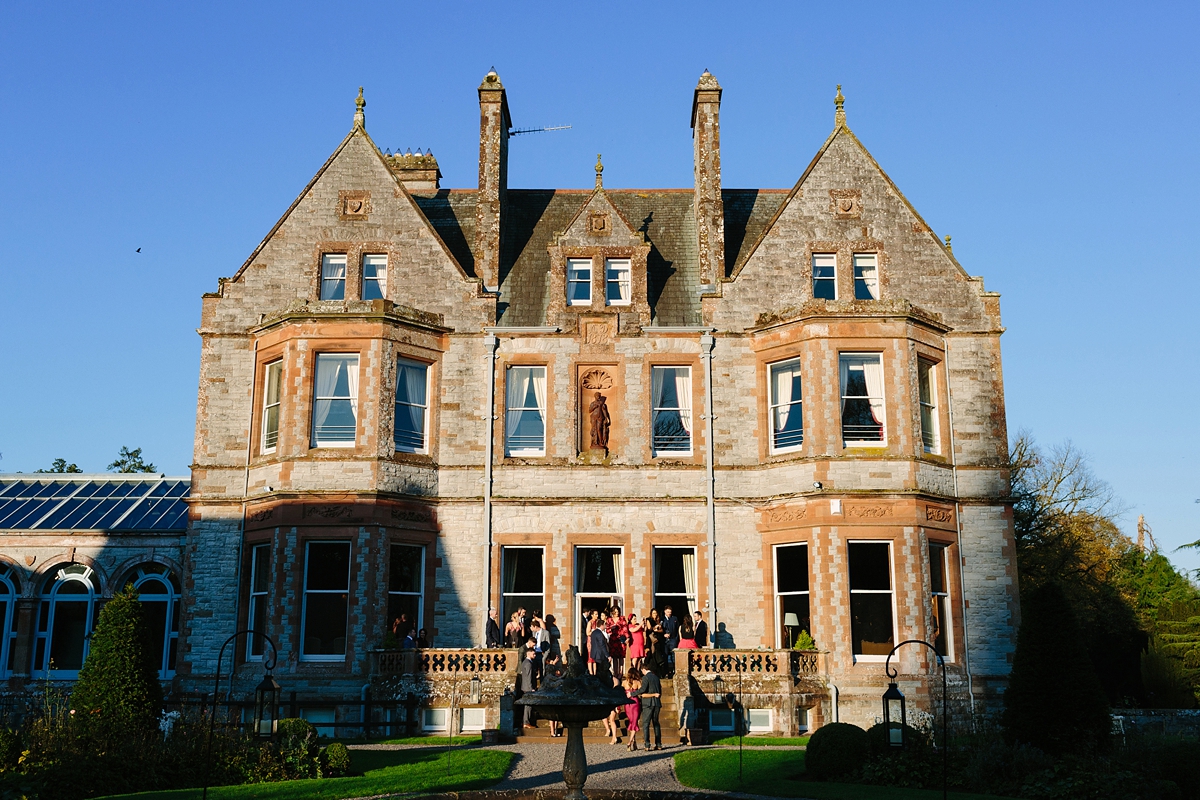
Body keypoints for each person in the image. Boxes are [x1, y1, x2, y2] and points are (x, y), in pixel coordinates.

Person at [636, 662, 663, 750]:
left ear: (644, 669)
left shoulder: (645, 677)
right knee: (656, 724)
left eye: (642, 670)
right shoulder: (656, 677)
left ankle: (647, 744)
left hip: (647, 703)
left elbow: (643, 689)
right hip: (656, 703)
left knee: (646, 724)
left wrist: (633, 694)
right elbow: (660, 691)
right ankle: (658, 744)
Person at [517, 645, 538, 729]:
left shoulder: (525, 662)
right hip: (528, 687)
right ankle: (526, 722)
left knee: (528, 705)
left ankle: (526, 721)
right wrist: (531, 688)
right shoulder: (528, 663)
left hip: (525, 687)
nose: (535, 655)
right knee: (528, 705)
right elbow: (528, 677)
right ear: (528, 653)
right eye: (534, 654)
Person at [623, 668, 642, 751]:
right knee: (634, 722)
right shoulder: (637, 682)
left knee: (631, 722)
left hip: (627, 703)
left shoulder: (624, 683)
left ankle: (634, 742)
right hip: (635, 703)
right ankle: (630, 742)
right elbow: (641, 692)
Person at [606, 606, 627, 678]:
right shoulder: (609, 620)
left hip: (621, 639)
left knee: (621, 657)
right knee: (614, 657)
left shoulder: (622, 618)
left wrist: (627, 637)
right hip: (613, 639)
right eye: (615, 611)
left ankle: (620, 673)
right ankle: (615, 672)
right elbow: (607, 629)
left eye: (618, 611)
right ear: (612, 612)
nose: (617, 613)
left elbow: (625, 628)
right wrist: (611, 629)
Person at [661, 607, 680, 678]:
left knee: (674, 656)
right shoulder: (661, 619)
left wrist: (676, 639)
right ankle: (666, 672)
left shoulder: (674, 619)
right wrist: (663, 635)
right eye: (668, 612)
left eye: (670, 612)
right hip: (665, 641)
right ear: (665, 611)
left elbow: (678, 629)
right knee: (665, 657)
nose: (669, 613)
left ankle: (674, 671)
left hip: (673, 640)